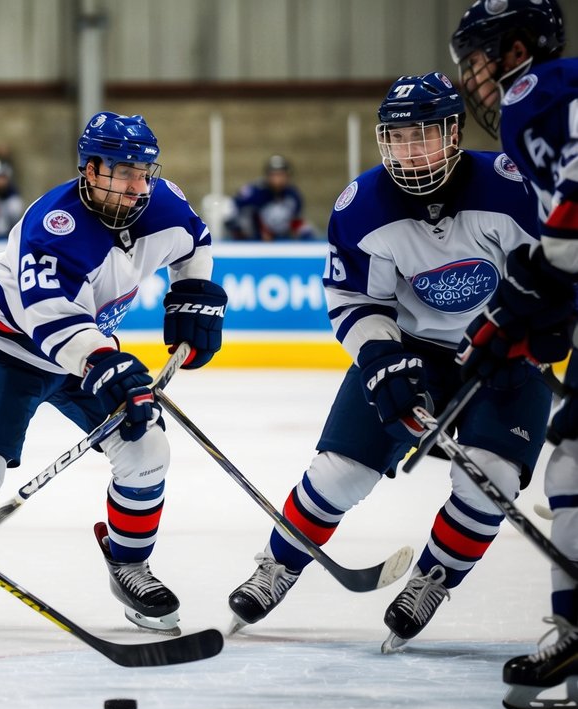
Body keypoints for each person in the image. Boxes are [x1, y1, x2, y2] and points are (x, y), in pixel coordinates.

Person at [0, 112, 226, 635]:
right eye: (123, 172)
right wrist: (104, 361)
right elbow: (49, 317)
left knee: (148, 452)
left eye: (145, 172)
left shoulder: (162, 203)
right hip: (6, 348)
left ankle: (129, 564)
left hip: (88, 352)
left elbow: (197, 241)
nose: (138, 186)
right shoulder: (55, 224)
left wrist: (192, 295)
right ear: (90, 170)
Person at [224, 74, 548, 654]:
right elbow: (355, 301)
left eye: (423, 135)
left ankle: (432, 577)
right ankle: (277, 565)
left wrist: (530, 331)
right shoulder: (362, 206)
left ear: (453, 132)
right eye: (398, 138)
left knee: (490, 480)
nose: (410, 150)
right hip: (411, 349)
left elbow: (551, 272)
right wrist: (379, 353)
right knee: (339, 471)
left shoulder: (511, 188)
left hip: (503, 345)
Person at [451, 0, 578, 709]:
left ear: (515, 50)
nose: (471, 79)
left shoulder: (537, 94)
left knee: (571, 462)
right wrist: (544, 310)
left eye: (476, 60)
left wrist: (518, 302)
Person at [227, 154, 315, 241]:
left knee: (308, 231)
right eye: (274, 175)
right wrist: (245, 231)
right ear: (267, 176)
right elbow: (232, 209)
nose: (277, 179)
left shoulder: (293, 195)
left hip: (282, 241)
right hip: (255, 242)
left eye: (280, 175)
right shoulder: (254, 192)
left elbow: (296, 220)